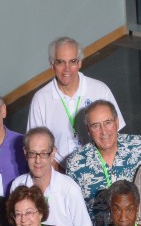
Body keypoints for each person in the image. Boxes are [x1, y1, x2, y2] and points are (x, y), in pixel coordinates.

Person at [27, 36, 125, 166]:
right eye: (60, 62)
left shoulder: (100, 90)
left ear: (79, 63)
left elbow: (114, 134)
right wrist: (58, 174)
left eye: (72, 61)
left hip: (99, 166)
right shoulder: (40, 99)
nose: (67, 69)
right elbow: (36, 145)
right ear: (52, 65)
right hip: (58, 170)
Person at [65, 100, 141, 226]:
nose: (103, 131)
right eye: (95, 125)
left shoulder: (139, 147)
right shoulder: (75, 163)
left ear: (117, 123)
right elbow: (75, 212)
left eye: (108, 122)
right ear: (88, 130)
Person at [9, 127, 92, 226]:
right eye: (32, 153)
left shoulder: (69, 188)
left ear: (53, 153)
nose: (38, 161)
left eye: (43, 154)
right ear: (25, 153)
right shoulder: (17, 185)